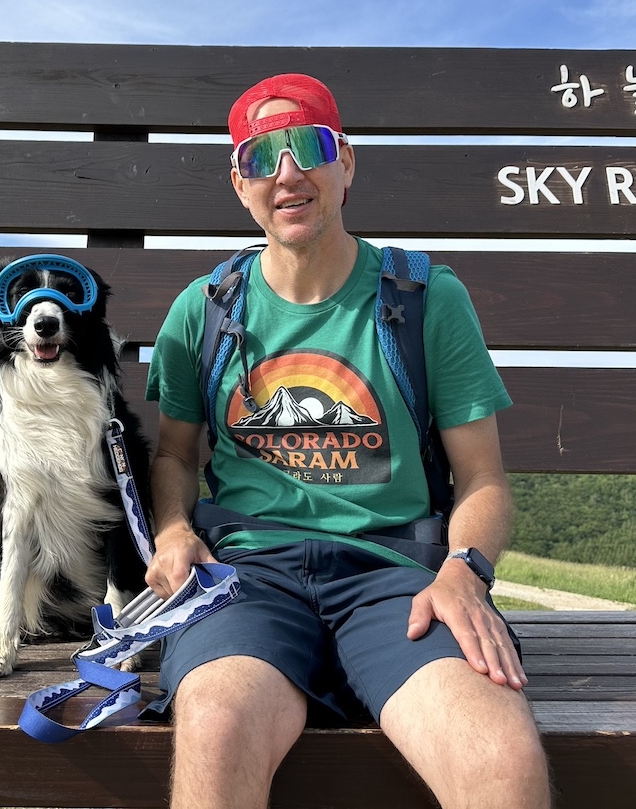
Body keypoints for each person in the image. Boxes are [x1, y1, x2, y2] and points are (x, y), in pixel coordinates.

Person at [144, 73, 550, 809]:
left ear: (347, 163)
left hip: (399, 576)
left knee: (502, 761)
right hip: (248, 578)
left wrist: (464, 568)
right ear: (240, 184)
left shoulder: (424, 300)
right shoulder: (201, 311)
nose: (289, 173)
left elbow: (483, 479)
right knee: (217, 726)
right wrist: (173, 528)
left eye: (310, 146)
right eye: (262, 157)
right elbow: (174, 454)